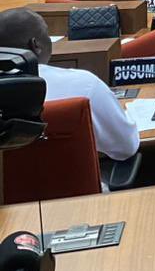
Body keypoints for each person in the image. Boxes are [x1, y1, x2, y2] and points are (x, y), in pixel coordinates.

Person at [0, 9, 139, 161]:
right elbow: (125, 148)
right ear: (35, 45)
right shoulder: (84, 86)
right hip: (76, 184)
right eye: (47, 33)